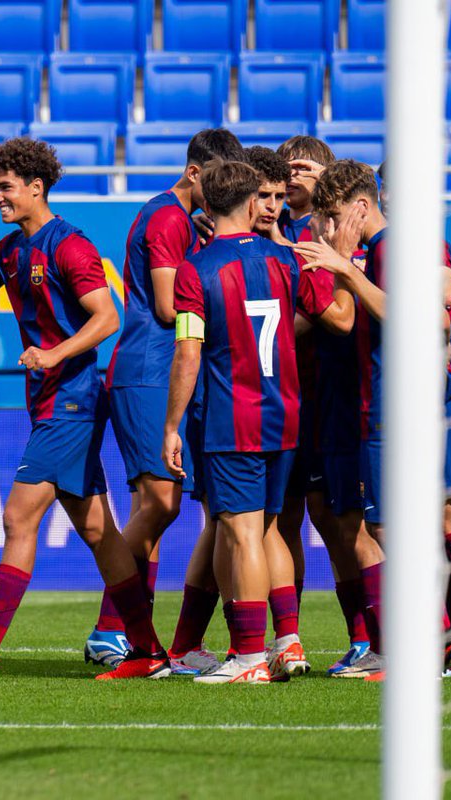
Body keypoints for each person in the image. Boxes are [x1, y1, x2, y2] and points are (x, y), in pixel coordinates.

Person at [0, 137, 168, 680]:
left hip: (73, 400)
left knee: (18, 518)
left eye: (5, 188)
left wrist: (53, 354)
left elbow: (107, 317)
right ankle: (149, 651)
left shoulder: (71, 246)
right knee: (99, 532)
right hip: (52, 402)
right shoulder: (13, 250)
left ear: (37, 187)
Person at [297, 161, 451, 679]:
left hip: (417, 403)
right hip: (399, 403)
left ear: (361, 206)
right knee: (406, 525)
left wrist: (345, 270)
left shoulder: (397, 247)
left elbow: (429, 316)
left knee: (419, 524)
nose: (332, 224)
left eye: (336, 213)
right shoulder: (390, 250)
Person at [165, 160, 353, 684]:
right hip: (286, 413)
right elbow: (340, 319)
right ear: (252, 205)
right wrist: (343, 264)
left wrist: (171, 424)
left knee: (240, 532)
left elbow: (187, 352)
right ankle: (286, 641)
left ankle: (248, 656)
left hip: (232, 418)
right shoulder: (289, 260)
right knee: (268, 527)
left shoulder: (195, 269)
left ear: (208, 206)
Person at [87, 129, 245, 671]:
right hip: (150, 369)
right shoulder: (168, 218)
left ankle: (137, 638)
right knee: (162, 502)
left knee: (152, 508)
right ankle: (111, 626)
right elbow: (163, 305)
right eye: (219, 179)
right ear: (196, 173)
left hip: (162, 371)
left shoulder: (181, 220)